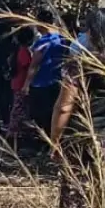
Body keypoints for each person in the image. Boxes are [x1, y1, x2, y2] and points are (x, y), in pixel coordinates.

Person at [49, 7, 105, 208]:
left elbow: (64, 106)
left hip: (84, 136)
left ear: (92, 32)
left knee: (75, 188)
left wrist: (54, 140)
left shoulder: (80, 63)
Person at [22, 8, 69, 144]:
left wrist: (26, 84)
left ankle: (43, 143)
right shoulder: (61, 39)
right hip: (57, 81)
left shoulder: (42, 42)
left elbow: (34, 65)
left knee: (39, 116)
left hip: (41, 83)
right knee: (51, 114)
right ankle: (52, 142)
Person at [6, 26, 35, 144]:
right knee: (18, 109)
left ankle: (16, 133)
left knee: (19, 107)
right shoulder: (24, 51)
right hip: (21, 84)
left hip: (17, 82)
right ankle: (11, 134)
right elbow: (29, 66)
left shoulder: (17, 50)